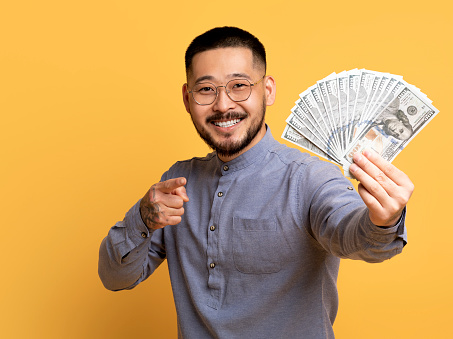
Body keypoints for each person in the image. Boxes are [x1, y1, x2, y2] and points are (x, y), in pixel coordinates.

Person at [98, 26, 414, 338]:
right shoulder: (177, 182)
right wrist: (141, 218)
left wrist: (382, 221)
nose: (223, 105)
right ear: (187, 98)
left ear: (268, 90)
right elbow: (115, 277)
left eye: (239, 85)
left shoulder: (309, 177)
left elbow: (356, 236)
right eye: (206, 89)